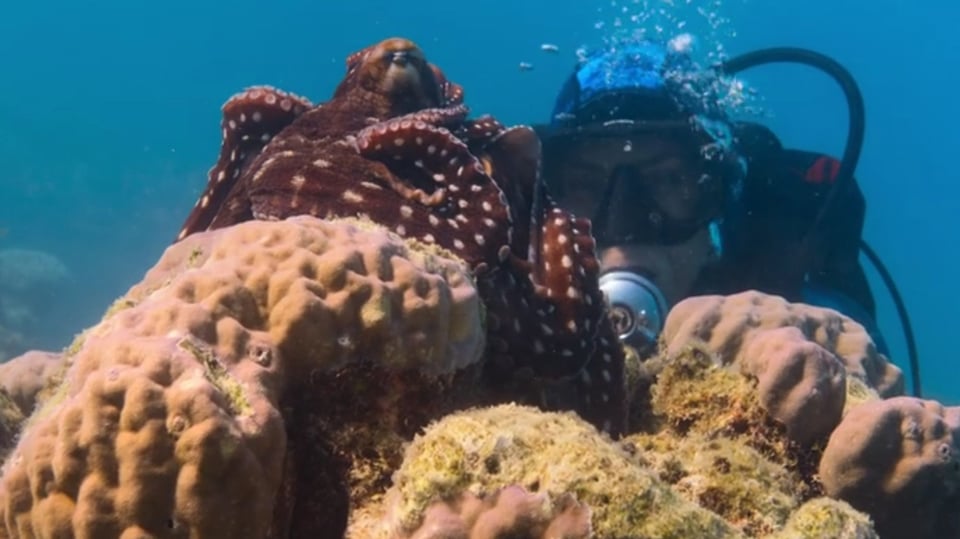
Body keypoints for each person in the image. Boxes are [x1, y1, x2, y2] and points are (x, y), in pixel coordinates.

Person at [534, 38, 892, 360]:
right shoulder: (509, 291)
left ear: (718, 203)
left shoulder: (791, 308)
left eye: (669, 181)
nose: (626, 226)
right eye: (586, 186)